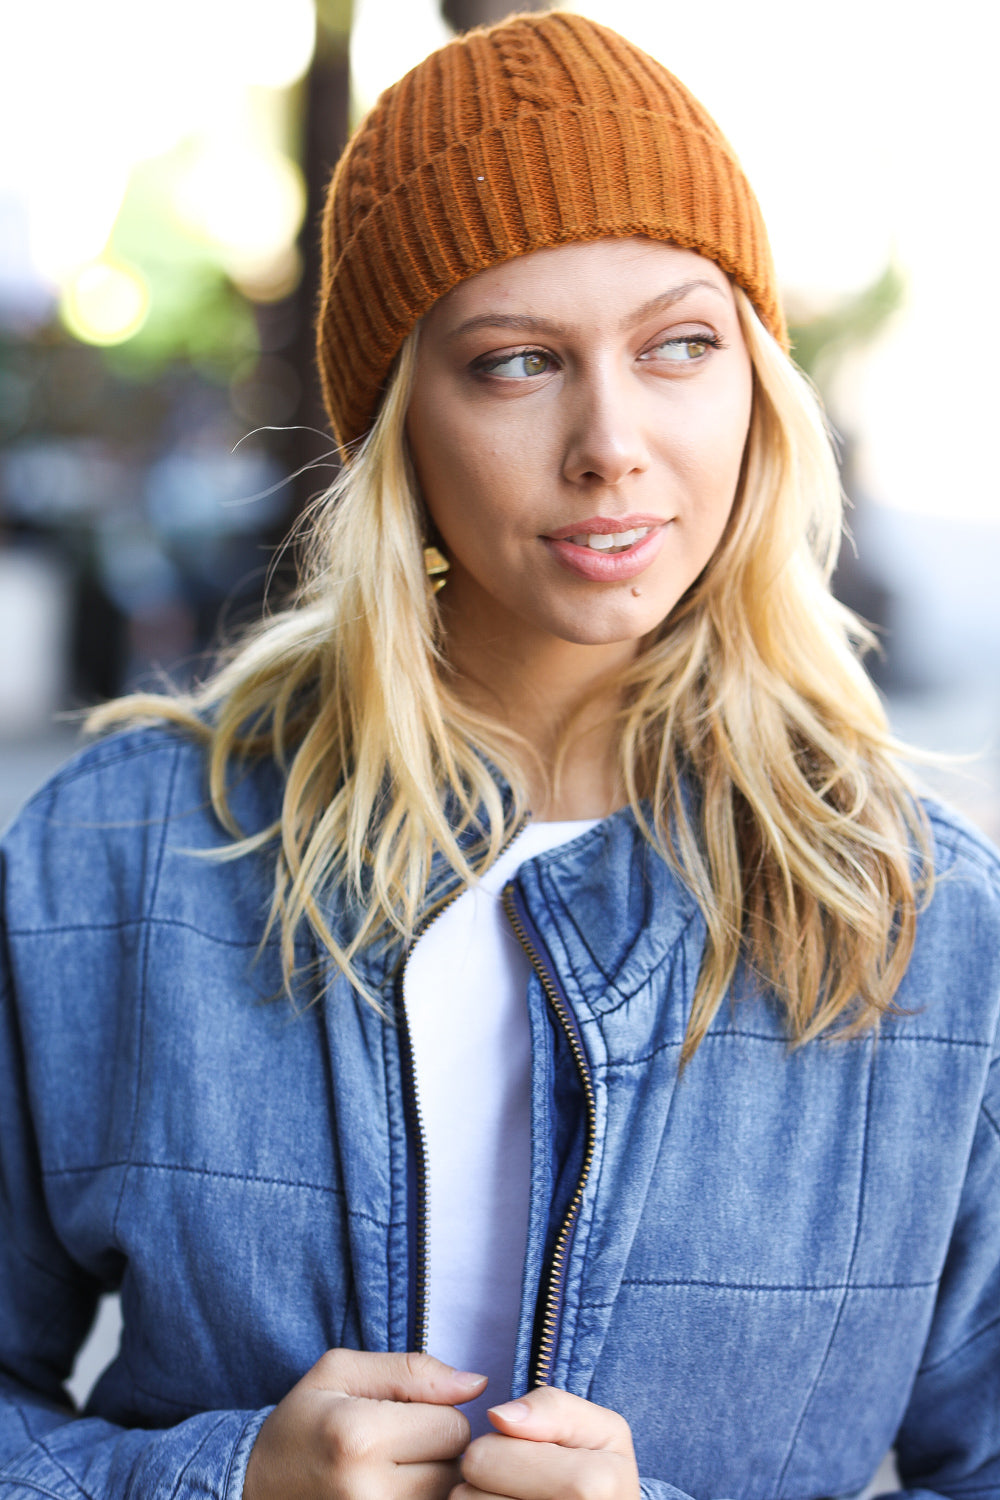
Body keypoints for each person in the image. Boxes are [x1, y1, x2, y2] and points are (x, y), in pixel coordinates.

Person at [1, 11, 998, 1500]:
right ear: (398, 427)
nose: (613, 443)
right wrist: (218, 1485)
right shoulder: (112, 864)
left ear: (756, 385)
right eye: (519, 363)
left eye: (679, 346)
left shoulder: (934, 926)